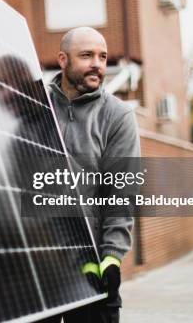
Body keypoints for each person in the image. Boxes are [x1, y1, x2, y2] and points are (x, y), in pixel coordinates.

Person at [47, 27, 140, 323]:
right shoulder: (36, 106)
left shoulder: (117, 116)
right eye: (86, 55)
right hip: (38, 264)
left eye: (102, 56)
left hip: (92, 269)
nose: (97, 64)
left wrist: (111, 256)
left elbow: (122, 193)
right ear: (63, 60)